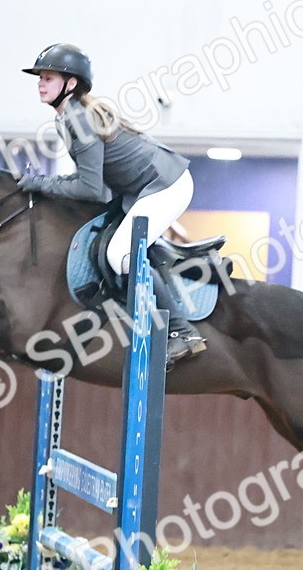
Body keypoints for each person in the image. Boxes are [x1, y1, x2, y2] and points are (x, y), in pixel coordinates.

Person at [17, 42, 206, 366]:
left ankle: (181, 332)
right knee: (107, 241)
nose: (40, 83)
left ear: (71, 84)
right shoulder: (68, 118)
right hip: (140, 189)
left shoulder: (79, 120)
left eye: (47, 78)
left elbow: (91, 189)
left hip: (166, 185)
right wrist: (46, 185)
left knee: (119, 254)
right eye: (40, 78)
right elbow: (94, 186)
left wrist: (41, 183)